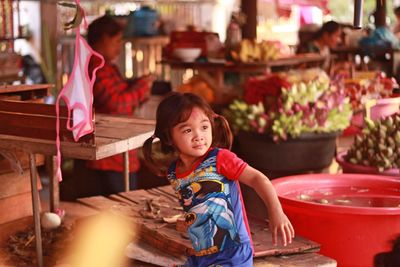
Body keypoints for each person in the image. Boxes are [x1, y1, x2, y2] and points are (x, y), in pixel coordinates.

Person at [142, 92, 294, 266]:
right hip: (202, 255)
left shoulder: (220, 158)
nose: (198, 135)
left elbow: (258, 179)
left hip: (233, 255)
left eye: (204, 127)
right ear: (169, 137)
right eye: (188, 130)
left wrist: (276, 212)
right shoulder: (173, 173)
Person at [84, 15, 153, 195]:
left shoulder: (107, 67)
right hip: (107, 156)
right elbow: (115, 104)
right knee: (118, 208)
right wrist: (141, 87)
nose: (119, 46)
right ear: (103, 39)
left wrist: (138, 87)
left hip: (116, 153)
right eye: (116, 41)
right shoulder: (96, 67)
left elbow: (121, 96)